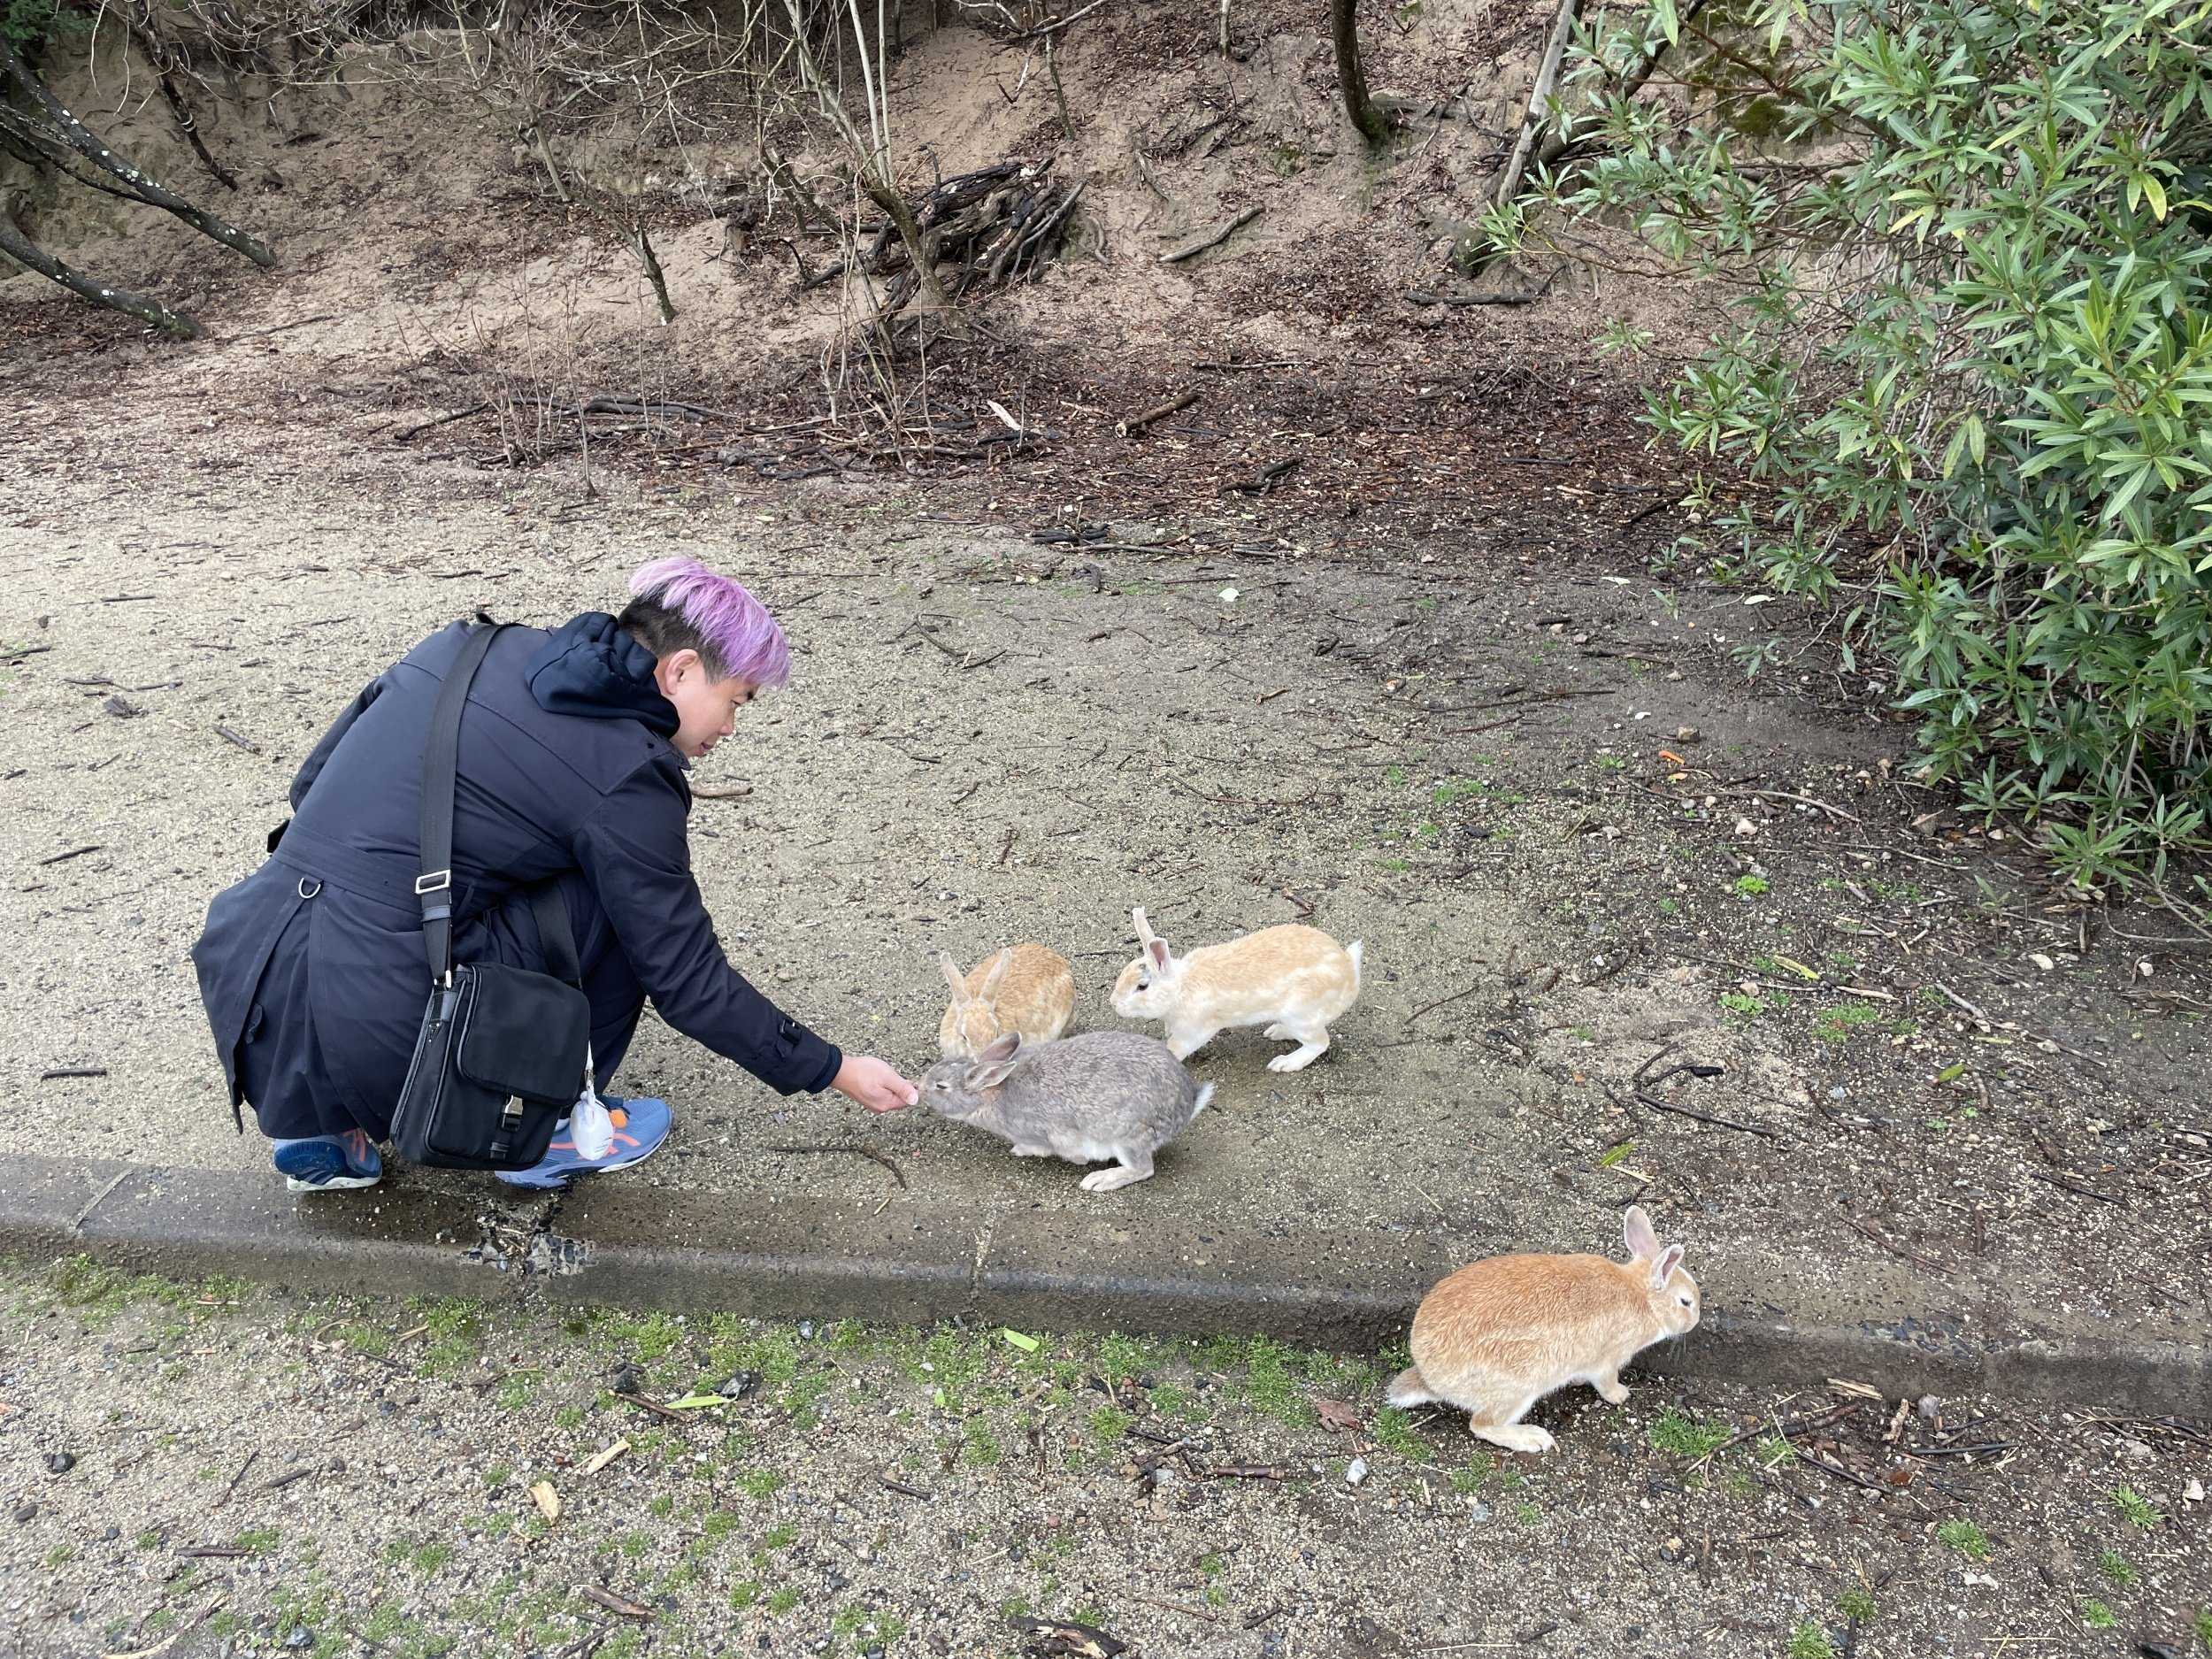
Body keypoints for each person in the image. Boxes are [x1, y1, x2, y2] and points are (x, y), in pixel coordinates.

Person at [190, 557, 917, 1192]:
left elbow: (310, 786)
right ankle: (549, 1125)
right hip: (387, 1035)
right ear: (682, 670)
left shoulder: (466, 645)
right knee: (618, 900)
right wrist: (832, 1067)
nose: (731, 727)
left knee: (413, 880)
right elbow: (686, 980)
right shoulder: (628, 769)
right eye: (737, 701)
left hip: (255, 989)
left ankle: (321, 1127)